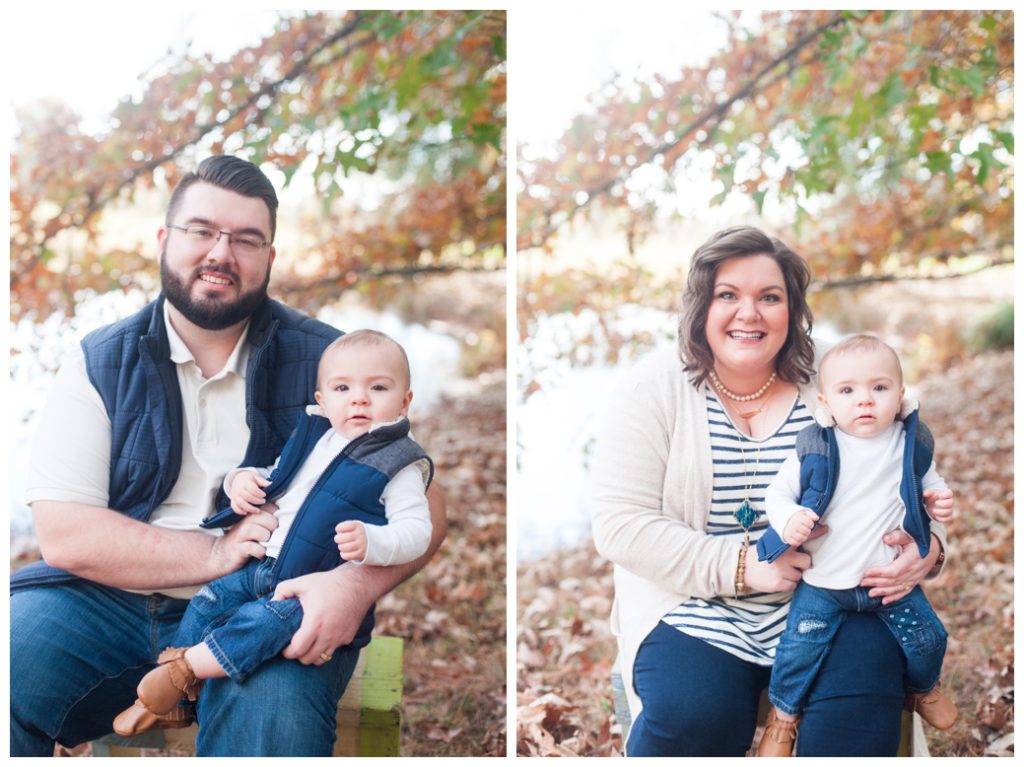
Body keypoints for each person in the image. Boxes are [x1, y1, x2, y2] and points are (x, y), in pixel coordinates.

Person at [10, 156, 446, 757]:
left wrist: (352, 587)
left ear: (270, 258)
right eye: (202, 231)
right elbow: (66, 536)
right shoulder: (99, 362)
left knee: (270, 719)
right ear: (165, 240)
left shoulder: (330, 364)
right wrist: (215, 550)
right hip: (106, 601)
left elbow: (424, 503)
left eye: (246, 239)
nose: (222, 252)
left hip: (272, 601)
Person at [590, 226, 948, 757]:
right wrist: (742, 567)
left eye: (770, 297)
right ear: (699, 306)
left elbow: (909, 465)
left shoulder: (841, 372)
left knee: (855, 714)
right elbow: (620, 525)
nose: (749, 313)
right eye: (728, 295)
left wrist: (930, 548)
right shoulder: (650, 390)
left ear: (793, 308)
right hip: (695, 600)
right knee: (694, 714)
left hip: (839, 592)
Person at [113, 329, 434, 736]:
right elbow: (277, 478)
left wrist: (374, 542)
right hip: (262, 564)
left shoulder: (399, 462)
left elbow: (417, 531)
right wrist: (241, 481)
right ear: (322, 400)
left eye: (378, 387)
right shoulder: (316, 438)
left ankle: (186, 669)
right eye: (342, 387)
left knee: (261, 624)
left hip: (310, 587)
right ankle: (175, 705)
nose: (359, 398)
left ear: (405, 400)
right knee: (208, 602)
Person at [755, 334, 957, 756]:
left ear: (900, 396)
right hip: (824, 583)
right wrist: (791, 519)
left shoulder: (910, 443)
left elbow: (929, 484)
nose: (864, 401)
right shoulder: (816, 446)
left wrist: (937, 500)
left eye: (879, 389)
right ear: (826, 402)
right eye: (848, 391)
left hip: (886, 583)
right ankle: (784, 717)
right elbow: (776, 496)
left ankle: (921, 689)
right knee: (799, 650)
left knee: (929, 638)